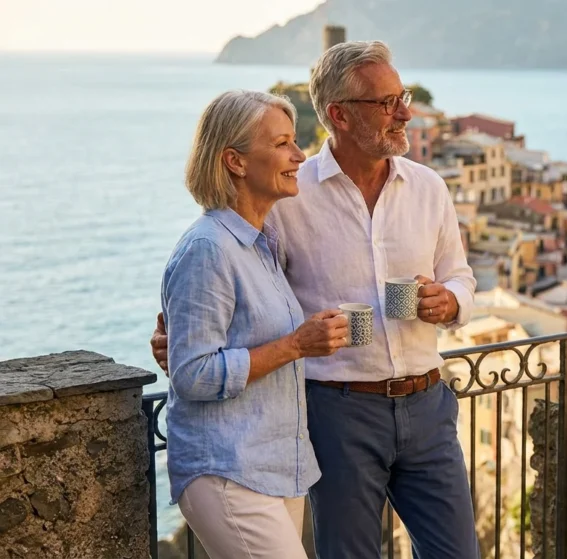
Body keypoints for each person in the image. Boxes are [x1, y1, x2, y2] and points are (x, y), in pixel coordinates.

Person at [152, 42, 479, 558]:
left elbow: (461, 276)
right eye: (386, 102)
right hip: (337, 412)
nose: (405, 112)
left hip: (427, 403)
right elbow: (230, 272)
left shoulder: (429, 188)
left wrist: (450, 301)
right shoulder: (287, 195)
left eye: (404, 96)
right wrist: (181, 338)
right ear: (338, 115)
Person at [160, 90, 350, 559]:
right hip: (226, 470)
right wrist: (296, 344)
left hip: (275, 466)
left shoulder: (261, 243)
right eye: (282, 143)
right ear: (235, 161)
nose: (298, 155)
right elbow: (193, 375)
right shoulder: (209, 249)